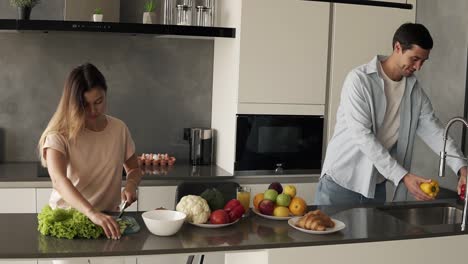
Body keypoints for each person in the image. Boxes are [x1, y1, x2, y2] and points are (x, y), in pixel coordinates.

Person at [315, 23, 468, 205]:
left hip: (375, 187)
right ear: (397, 47)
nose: (418, 67)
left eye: (423, 61)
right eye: (414, 59)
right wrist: (403, 176)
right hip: (341, 181)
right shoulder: (359, 80)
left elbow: (435, 132)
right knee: (324, 230)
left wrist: (461, 167)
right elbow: (363, 137)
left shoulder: (414, 91)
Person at [38, 63, 142, 240]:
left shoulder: (119, 128)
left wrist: (131, 185)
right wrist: (92, 213)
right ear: (73, 103)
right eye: (85, 105)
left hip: (108, 221)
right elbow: (58, 180)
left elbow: (134, 169)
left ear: (105, 94)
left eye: (99, 101)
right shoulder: (59, 134)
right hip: (68, 221)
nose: (93, 110)